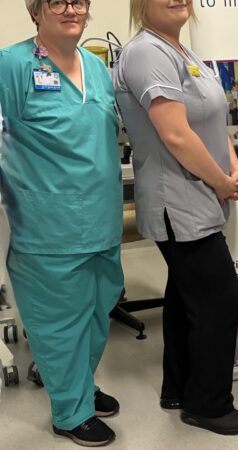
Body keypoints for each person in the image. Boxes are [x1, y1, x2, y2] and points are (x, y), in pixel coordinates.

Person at [114, 0, 238, 436]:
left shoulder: (184, 52)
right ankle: (208, 404)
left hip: (201, 194)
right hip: (178, 200)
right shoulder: (146, 53)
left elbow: (212, 120)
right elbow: (175, 134)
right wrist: (220, 182)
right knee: (219, 298)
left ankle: (178, 387)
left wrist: (233, 166)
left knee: (184, 295)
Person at [0, 0, 123, 445]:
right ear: (36, 11)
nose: (71, 9)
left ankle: (79, 385)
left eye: (79, 1)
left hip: (101, 220)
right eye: (57, 1)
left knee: (96, 315)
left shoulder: (96, 67)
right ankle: (70, 412)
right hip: (48, 226)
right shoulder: (12, 65)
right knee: (60, 324)